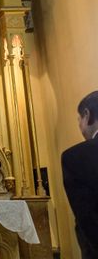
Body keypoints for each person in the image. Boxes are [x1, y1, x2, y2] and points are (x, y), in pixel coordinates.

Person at [62, 91, 98, 257]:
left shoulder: (75, 157)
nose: (79, 126)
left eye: (79, 120)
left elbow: (87, 219)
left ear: (87, 114)